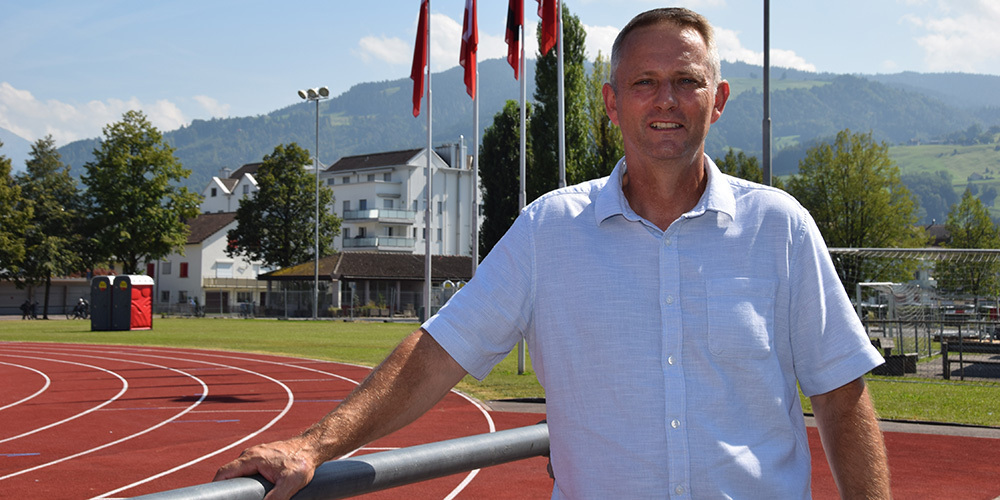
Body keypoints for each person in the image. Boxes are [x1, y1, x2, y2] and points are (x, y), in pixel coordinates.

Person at [215, 8, 891, 499]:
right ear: (610, 103)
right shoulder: (549, 231)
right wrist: (313, 444)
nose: (666, 100)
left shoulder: (781, 227)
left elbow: (841, 396)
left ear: (718, 101)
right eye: (644, 82)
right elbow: (433, 356)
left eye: (686, 81)